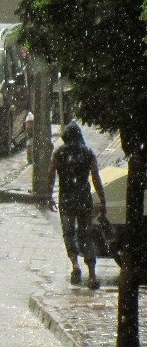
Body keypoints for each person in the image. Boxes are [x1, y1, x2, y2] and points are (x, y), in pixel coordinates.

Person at [45, 121, 107, 289]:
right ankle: (92, 275)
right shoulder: (88, 153)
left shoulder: (59, 153)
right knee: (86, 236)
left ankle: (75, 265)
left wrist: (49, 196)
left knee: (69, 233)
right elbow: (96, 178)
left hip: (66, 199)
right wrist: (102, 201)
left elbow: (51, 175)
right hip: (84, 200)